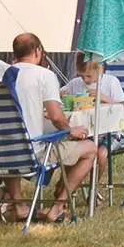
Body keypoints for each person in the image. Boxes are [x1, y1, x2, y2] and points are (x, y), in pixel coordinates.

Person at [9, 32, 96, 222]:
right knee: (90, 148)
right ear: (37, 51)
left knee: (12, 139)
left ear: (14, 53)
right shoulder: (44, 75)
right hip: (32, 152)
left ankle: (19, 205)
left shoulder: (2, 74)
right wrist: (70, 130)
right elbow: (56, 117)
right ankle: (57, 207)